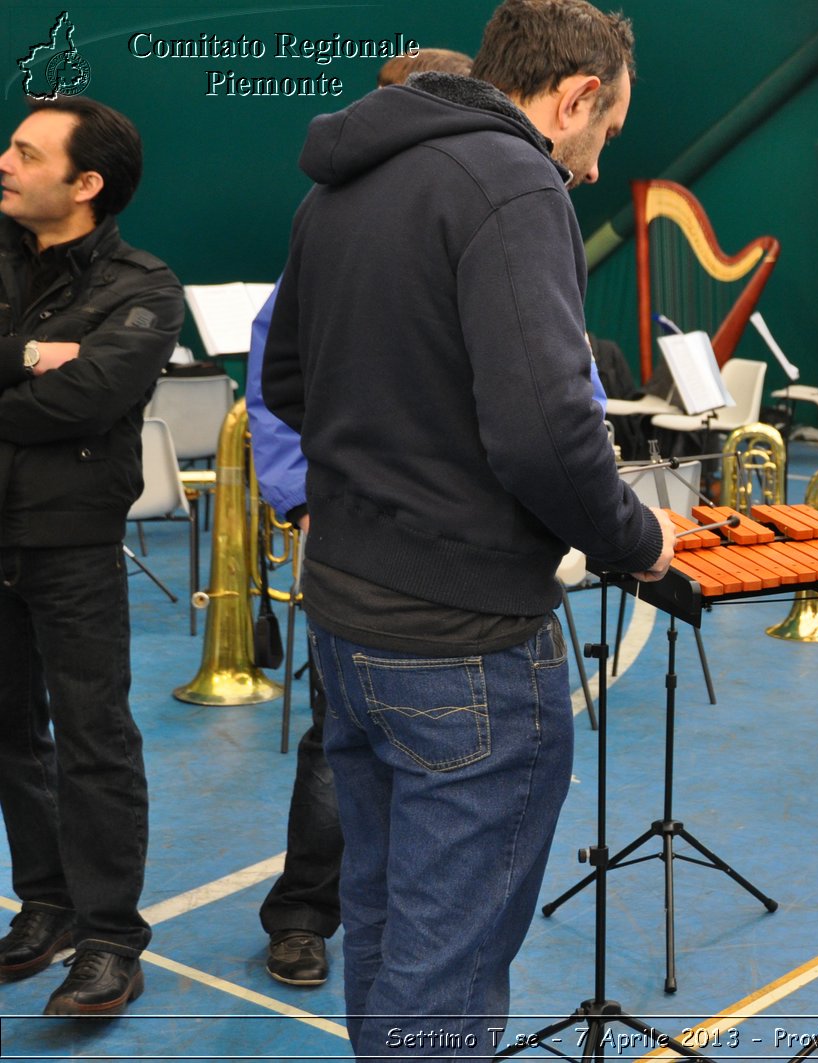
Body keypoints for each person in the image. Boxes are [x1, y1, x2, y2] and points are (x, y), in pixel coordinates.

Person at [260, 1, 671, 1055]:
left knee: (390, 926)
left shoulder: (337, 187)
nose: (587, 166)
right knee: (443, 967)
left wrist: (402, 459)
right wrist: (637, 540)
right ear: (576, 94)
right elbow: (545, 433)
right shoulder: (515, 181)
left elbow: (290, 382)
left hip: (345, 616)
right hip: (464, 637)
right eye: (602, 135)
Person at [246, 43, 486, 993]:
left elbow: (565, 388)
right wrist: (300, 494)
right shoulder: (332, 225)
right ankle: (304, 909)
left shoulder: (485, 219)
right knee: (336, 741)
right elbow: (277, 384)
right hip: (352, 542)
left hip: (459, 560)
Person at [0, 97, 182, 1017]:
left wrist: (35, 375)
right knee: (8, 734)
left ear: (85, 184)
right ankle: (48, 904)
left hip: (71, 546)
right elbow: (54, 387)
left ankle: (111, 939)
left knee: (92, 738)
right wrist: (31, 354)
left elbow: (87, 402)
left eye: (25, 153)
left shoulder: (146, 286)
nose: (2, 160)